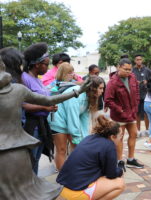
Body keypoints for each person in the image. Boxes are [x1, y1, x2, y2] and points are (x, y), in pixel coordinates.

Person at [0, 53, 91, 200]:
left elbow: (49, 100)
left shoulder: (18, 89)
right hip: (22, 136)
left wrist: (77, 91)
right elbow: (47, 101)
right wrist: (76, 92)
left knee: (27, 177)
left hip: (22, 139)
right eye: (45, 63)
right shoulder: (19, 87)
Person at [57, 115, 125, 200]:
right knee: (120, 183)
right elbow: (111, 174)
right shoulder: (109, 145)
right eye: (121, 135)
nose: (121, 138)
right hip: (75, 193)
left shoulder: (90, 138)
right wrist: (120, 170)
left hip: (60, 188)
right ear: (112, 137)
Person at [48, 75, 105, 170]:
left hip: (69, 120)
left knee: (78, 147)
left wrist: (85, 138)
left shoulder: (89, 96)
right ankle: (63, 177)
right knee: (62, 150)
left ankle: (75, 172)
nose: (102, 91)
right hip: (58, 121)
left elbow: (83, 117)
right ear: (92, 88)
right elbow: (72, 117)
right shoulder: (76, 95)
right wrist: (77, 137)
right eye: (100, 88)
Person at [21, 43, 58, 174]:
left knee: (36, 159)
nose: (48, 68)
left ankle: (34, 187)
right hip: (31, 127)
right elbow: (23, 105)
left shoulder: (38, 80)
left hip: (42, 125)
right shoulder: (24, 79)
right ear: (37, 64)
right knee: (29, 162)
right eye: (46, 64)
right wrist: (44, 107)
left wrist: (51, 106)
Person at [105, 58, 144, 169]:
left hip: (131, 113)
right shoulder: (112, 82)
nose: (128, 72)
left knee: (134, 135)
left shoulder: (132, 77)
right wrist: (120, 110)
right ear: (119, 67)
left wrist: (135, 106)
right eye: (125, 69)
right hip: (119, 116)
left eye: (129, 69)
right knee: (119, 138)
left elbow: (136, 92)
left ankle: (131, 159)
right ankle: (119, 161)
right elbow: (108, 100)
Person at [132, 54, 150, 136]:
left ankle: (147, 130)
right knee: (137, 113)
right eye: (137, 59)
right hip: (136, 94)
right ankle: (138, 130)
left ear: (142, 60)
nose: (139, 61)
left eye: (140, 59)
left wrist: (147, 82)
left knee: (146, 112)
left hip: (146, 94)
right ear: (135, 61)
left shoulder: (147, 70)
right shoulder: (132, 70)